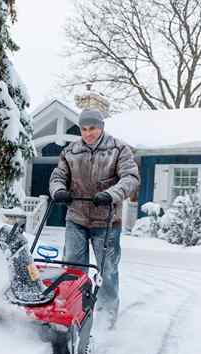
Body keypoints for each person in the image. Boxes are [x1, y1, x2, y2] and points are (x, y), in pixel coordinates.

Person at [49, 108, 139, 329]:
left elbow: (130, 178)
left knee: (107, 271)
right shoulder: (71, 151)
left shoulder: (118, 149)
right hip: (76, 218)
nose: (88, 133)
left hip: (106, 220)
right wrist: (58, 190)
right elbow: (58, 176)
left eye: (93, 128)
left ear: (101, 127)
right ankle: (73, 312)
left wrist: (111, 195)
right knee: (73, 269)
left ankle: (106, 319)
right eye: (84, 129)